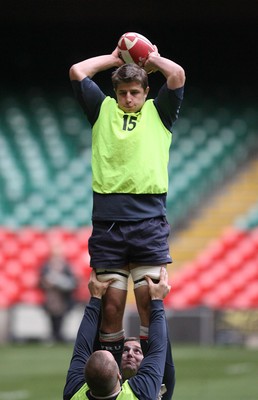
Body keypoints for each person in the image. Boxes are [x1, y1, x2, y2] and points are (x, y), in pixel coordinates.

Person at [69, 40, 185, 363]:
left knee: (150, 303)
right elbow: (77, 72)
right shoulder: (102, 109)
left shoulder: (159, 112)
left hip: (148, 221)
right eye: (122, 93)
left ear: (146, 91)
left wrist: (154, 59)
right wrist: (111, 59)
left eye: (135, 92)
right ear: (115, 93)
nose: (128, 98)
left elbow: (177, 75)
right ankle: (113, 383)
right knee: (110, 306)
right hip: (108, 223)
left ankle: (155, 385)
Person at [63, 267, 171, 400]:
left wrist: (96, 298)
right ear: (119, 375)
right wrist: (157, 300)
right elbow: (159, 349)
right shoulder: (71, 393)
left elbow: (82, 347)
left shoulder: (141, 395)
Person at [39, 243, 77, 342]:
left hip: (63, 297)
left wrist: (61, 283)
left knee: (62, 317)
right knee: (51, 317)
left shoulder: (66, 265)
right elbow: (41, 281)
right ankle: (53, 335)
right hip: (50, 297)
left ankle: (59, 335)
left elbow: (73, 282)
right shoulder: (46, 265)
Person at [121, 335, 175, 400]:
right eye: (125, 350)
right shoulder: (107, 387)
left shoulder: (158, 389)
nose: (130, 353)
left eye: (137, 351)